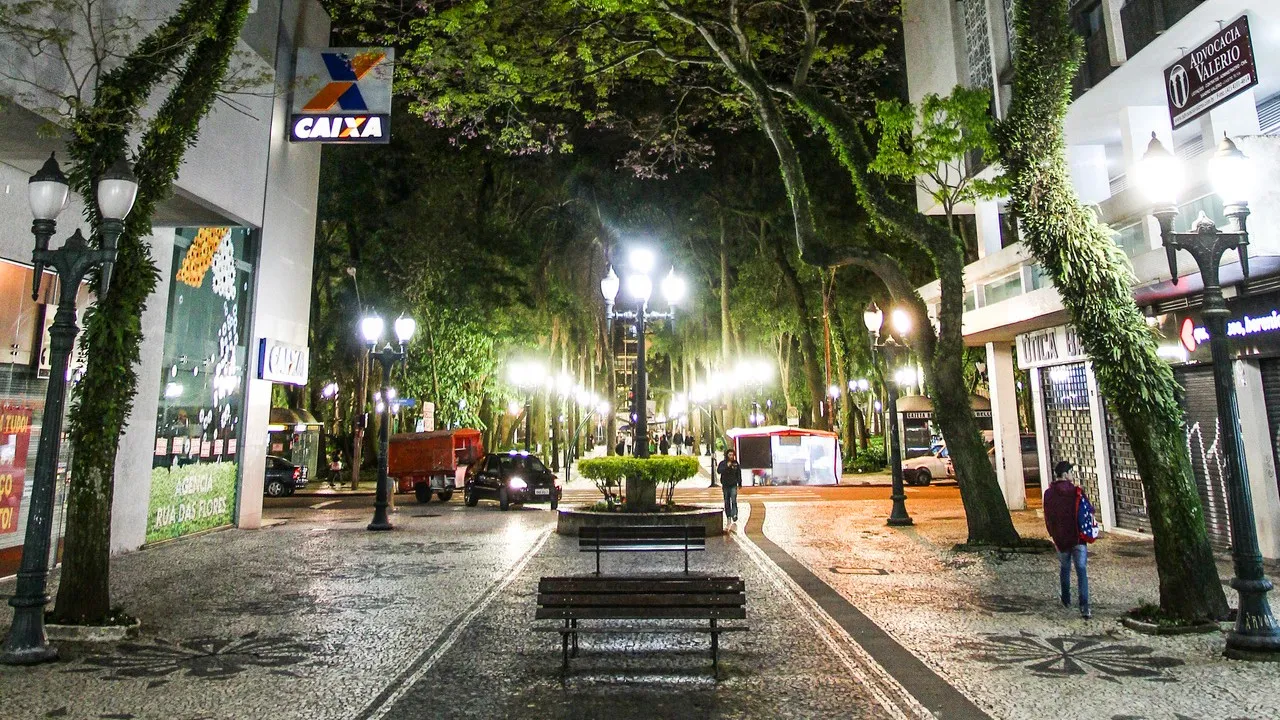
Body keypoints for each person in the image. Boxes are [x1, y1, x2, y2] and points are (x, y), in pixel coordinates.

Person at [1044, 461, 1091, 619]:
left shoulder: (1049, 494)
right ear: (1065, 475)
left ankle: (1066, 599)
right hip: (1078, 538)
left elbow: (1048, 516)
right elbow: (1089, 510)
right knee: (1081, 571)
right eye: (1071, 472)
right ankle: (1084, 606)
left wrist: (1053, 533)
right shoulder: (1077, 492)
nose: (1072, 475)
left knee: (1065, 568)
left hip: (1061, 539)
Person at [717, 449, 742, 528]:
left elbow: (738, 473)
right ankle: (728, 516)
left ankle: (734, 514)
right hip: (725, 484)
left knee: (734, 499)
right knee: (727, 500)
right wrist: (726, 467)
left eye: (732, 455)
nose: (731, 456)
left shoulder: (735, 463)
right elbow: (719, 471)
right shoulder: (723, 463)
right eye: (729, 455)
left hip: (733, 484)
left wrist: (739, 482)